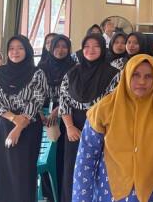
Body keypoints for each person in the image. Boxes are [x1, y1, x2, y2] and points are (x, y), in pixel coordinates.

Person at [72, 55, 153, 201]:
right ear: (127, 75)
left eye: (148, 76)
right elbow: (86, 157)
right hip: (110, 191)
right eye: (136, 75)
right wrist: (81, 198)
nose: (142, 81)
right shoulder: (106, 108)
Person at [59, 33, 121, 202]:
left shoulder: (114, 74)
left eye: (96, 46)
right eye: (86, 46)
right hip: (75, 128)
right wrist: (69, 127)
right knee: (72, 170)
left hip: (102, 128)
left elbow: (114, 104)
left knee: (99, 171)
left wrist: (102, 129)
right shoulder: (72, 74)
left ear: (103, 49)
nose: (90, 50)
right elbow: (64, 102)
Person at [0, 35, 48, 201]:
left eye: (20, 48)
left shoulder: (37, 73)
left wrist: (19, 127)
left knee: (22, 174)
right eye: (11, 48)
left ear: (27, 50)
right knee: (1, 173)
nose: (15, 52)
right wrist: (14, 118)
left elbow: (37, 100)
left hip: (28, 129)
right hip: (2, 127)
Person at [37, 33, 76, 201]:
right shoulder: (42, 67)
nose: (60, 50)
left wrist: (58, 109)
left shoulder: (74, 68)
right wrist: (39, 111)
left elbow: (74, 93)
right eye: (57, 46)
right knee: (44, 156)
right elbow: (35, 91)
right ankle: (47, 194)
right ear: (51, 48)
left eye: (64, 47)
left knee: (61, 157)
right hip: (43, 117)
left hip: (66, 117)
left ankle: (62, 194)